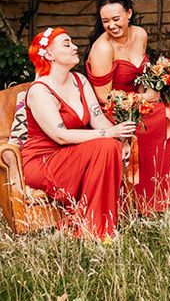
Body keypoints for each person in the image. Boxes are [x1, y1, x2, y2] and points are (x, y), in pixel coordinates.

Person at [87, 0, 170, 213]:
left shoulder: (140, 34)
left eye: (116, 19)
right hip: (114, 112)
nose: (112, 26)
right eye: (105, 21)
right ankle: (141, 199)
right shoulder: (102, 48)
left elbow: (141, 76)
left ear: (129, 13)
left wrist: (150, 91)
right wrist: (144, 98)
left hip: (138, 103)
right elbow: (103, 97)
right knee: (143, 128)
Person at [22, 28, 134, 239]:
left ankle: (95, 225)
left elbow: (97, 118)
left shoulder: (79, 80)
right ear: (48, 54)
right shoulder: (40, 91)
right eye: (66, 44)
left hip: (74, 151)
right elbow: (60, 135)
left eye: (72, 42)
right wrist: (109, 133)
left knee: (110, 145)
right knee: (106, 144)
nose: (75, 47)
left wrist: (121, 138)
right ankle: (96, 229)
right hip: (44, 158)